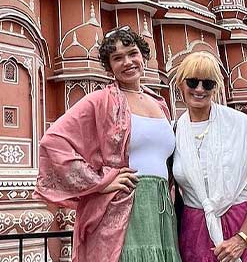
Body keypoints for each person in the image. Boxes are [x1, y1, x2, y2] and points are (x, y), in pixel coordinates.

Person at [36, 27, 181, 262]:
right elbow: (53, 141)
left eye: (132, 53)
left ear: (143, 56)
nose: (127, 62)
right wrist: (100, 182)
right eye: (117, 58)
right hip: (123, 204)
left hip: (161, 207)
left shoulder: (160, 103)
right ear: (109, 66)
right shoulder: (102, 100)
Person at [172, 52, 247, 262]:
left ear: (215, 88)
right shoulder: (174, 132)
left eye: (208, 84)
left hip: (244, 226)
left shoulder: (239, 124)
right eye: (192, 82)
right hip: (196, 232)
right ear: (180, 85)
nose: (200, 89)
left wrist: (242, 238)